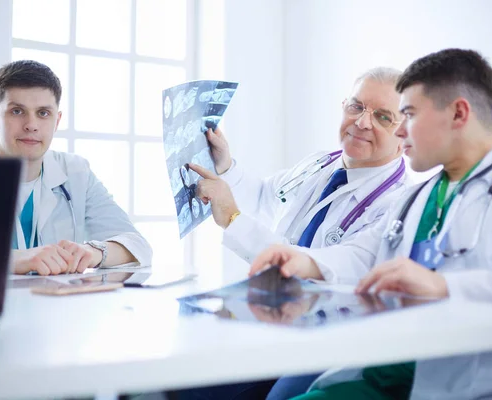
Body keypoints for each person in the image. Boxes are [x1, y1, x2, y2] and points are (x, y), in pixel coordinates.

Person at [250, 48, 492, 400]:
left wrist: (445, 287)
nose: (400, 133)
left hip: (465, 386)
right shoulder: (420, 196)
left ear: (458, 113)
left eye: (409, 115)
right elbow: (366, 250)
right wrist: (303, 260)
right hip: (380, 374)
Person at [171, 67, 412, 400]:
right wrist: (226, 166)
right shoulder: (321, 164)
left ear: (405, 132)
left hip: (331, 335)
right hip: (275, 309)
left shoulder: (399, 202)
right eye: (355, 106)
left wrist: (232, 217)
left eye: (383, 117)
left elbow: (329, 264)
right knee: (184, 368)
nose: (362, 122)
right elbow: (267, 198)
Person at [0, 60, 152, 275]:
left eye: (43, 113)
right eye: (17, 111)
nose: (31, 125)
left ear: (56, 121)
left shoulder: (76, 172)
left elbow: (137, 246)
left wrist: (91, 253)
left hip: (54, 305)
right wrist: (15, 259)